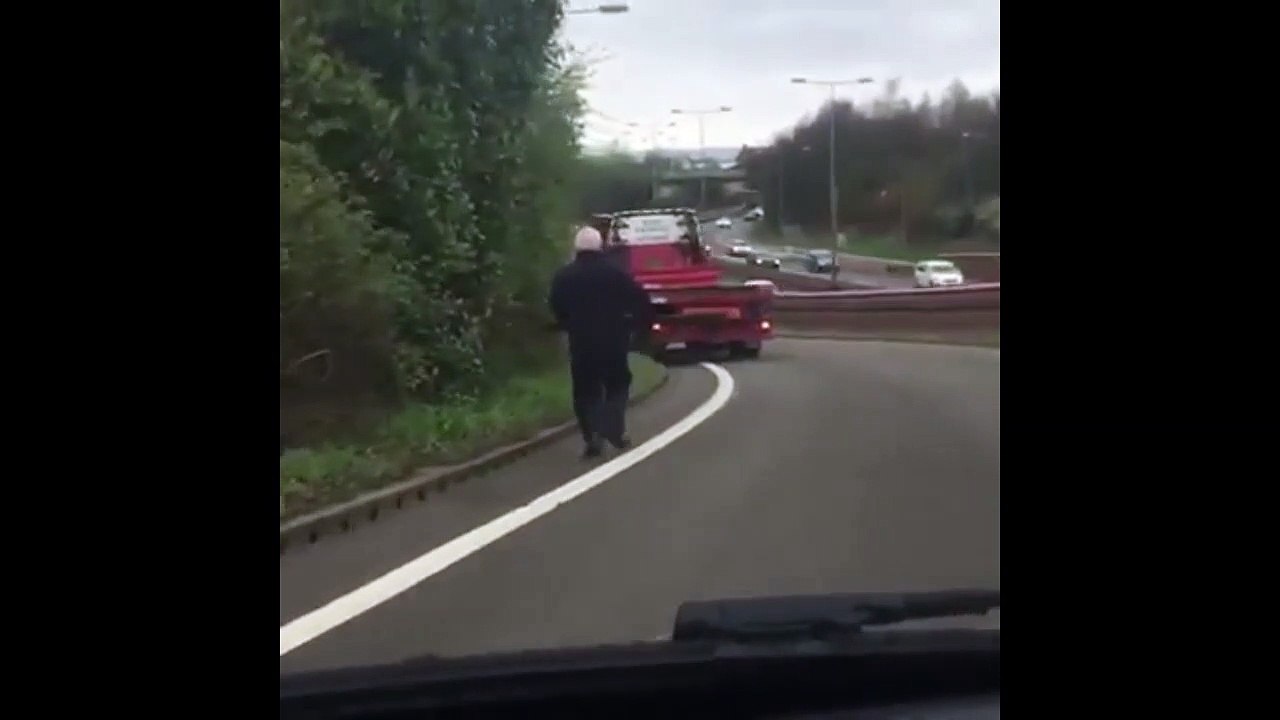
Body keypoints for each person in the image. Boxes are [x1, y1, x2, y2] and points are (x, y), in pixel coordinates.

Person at [549, 225, 653, 459]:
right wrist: (635, 325)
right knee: (618, 383)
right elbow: (640, 300)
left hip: (581, 342)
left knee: (585, 390)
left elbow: (556, 305)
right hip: (613, 340)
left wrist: (567, 323)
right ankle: (613, 426)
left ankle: (592, 435)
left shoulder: (564, 276)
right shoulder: (616, 274)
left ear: (576, 248)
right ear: (600, 246)